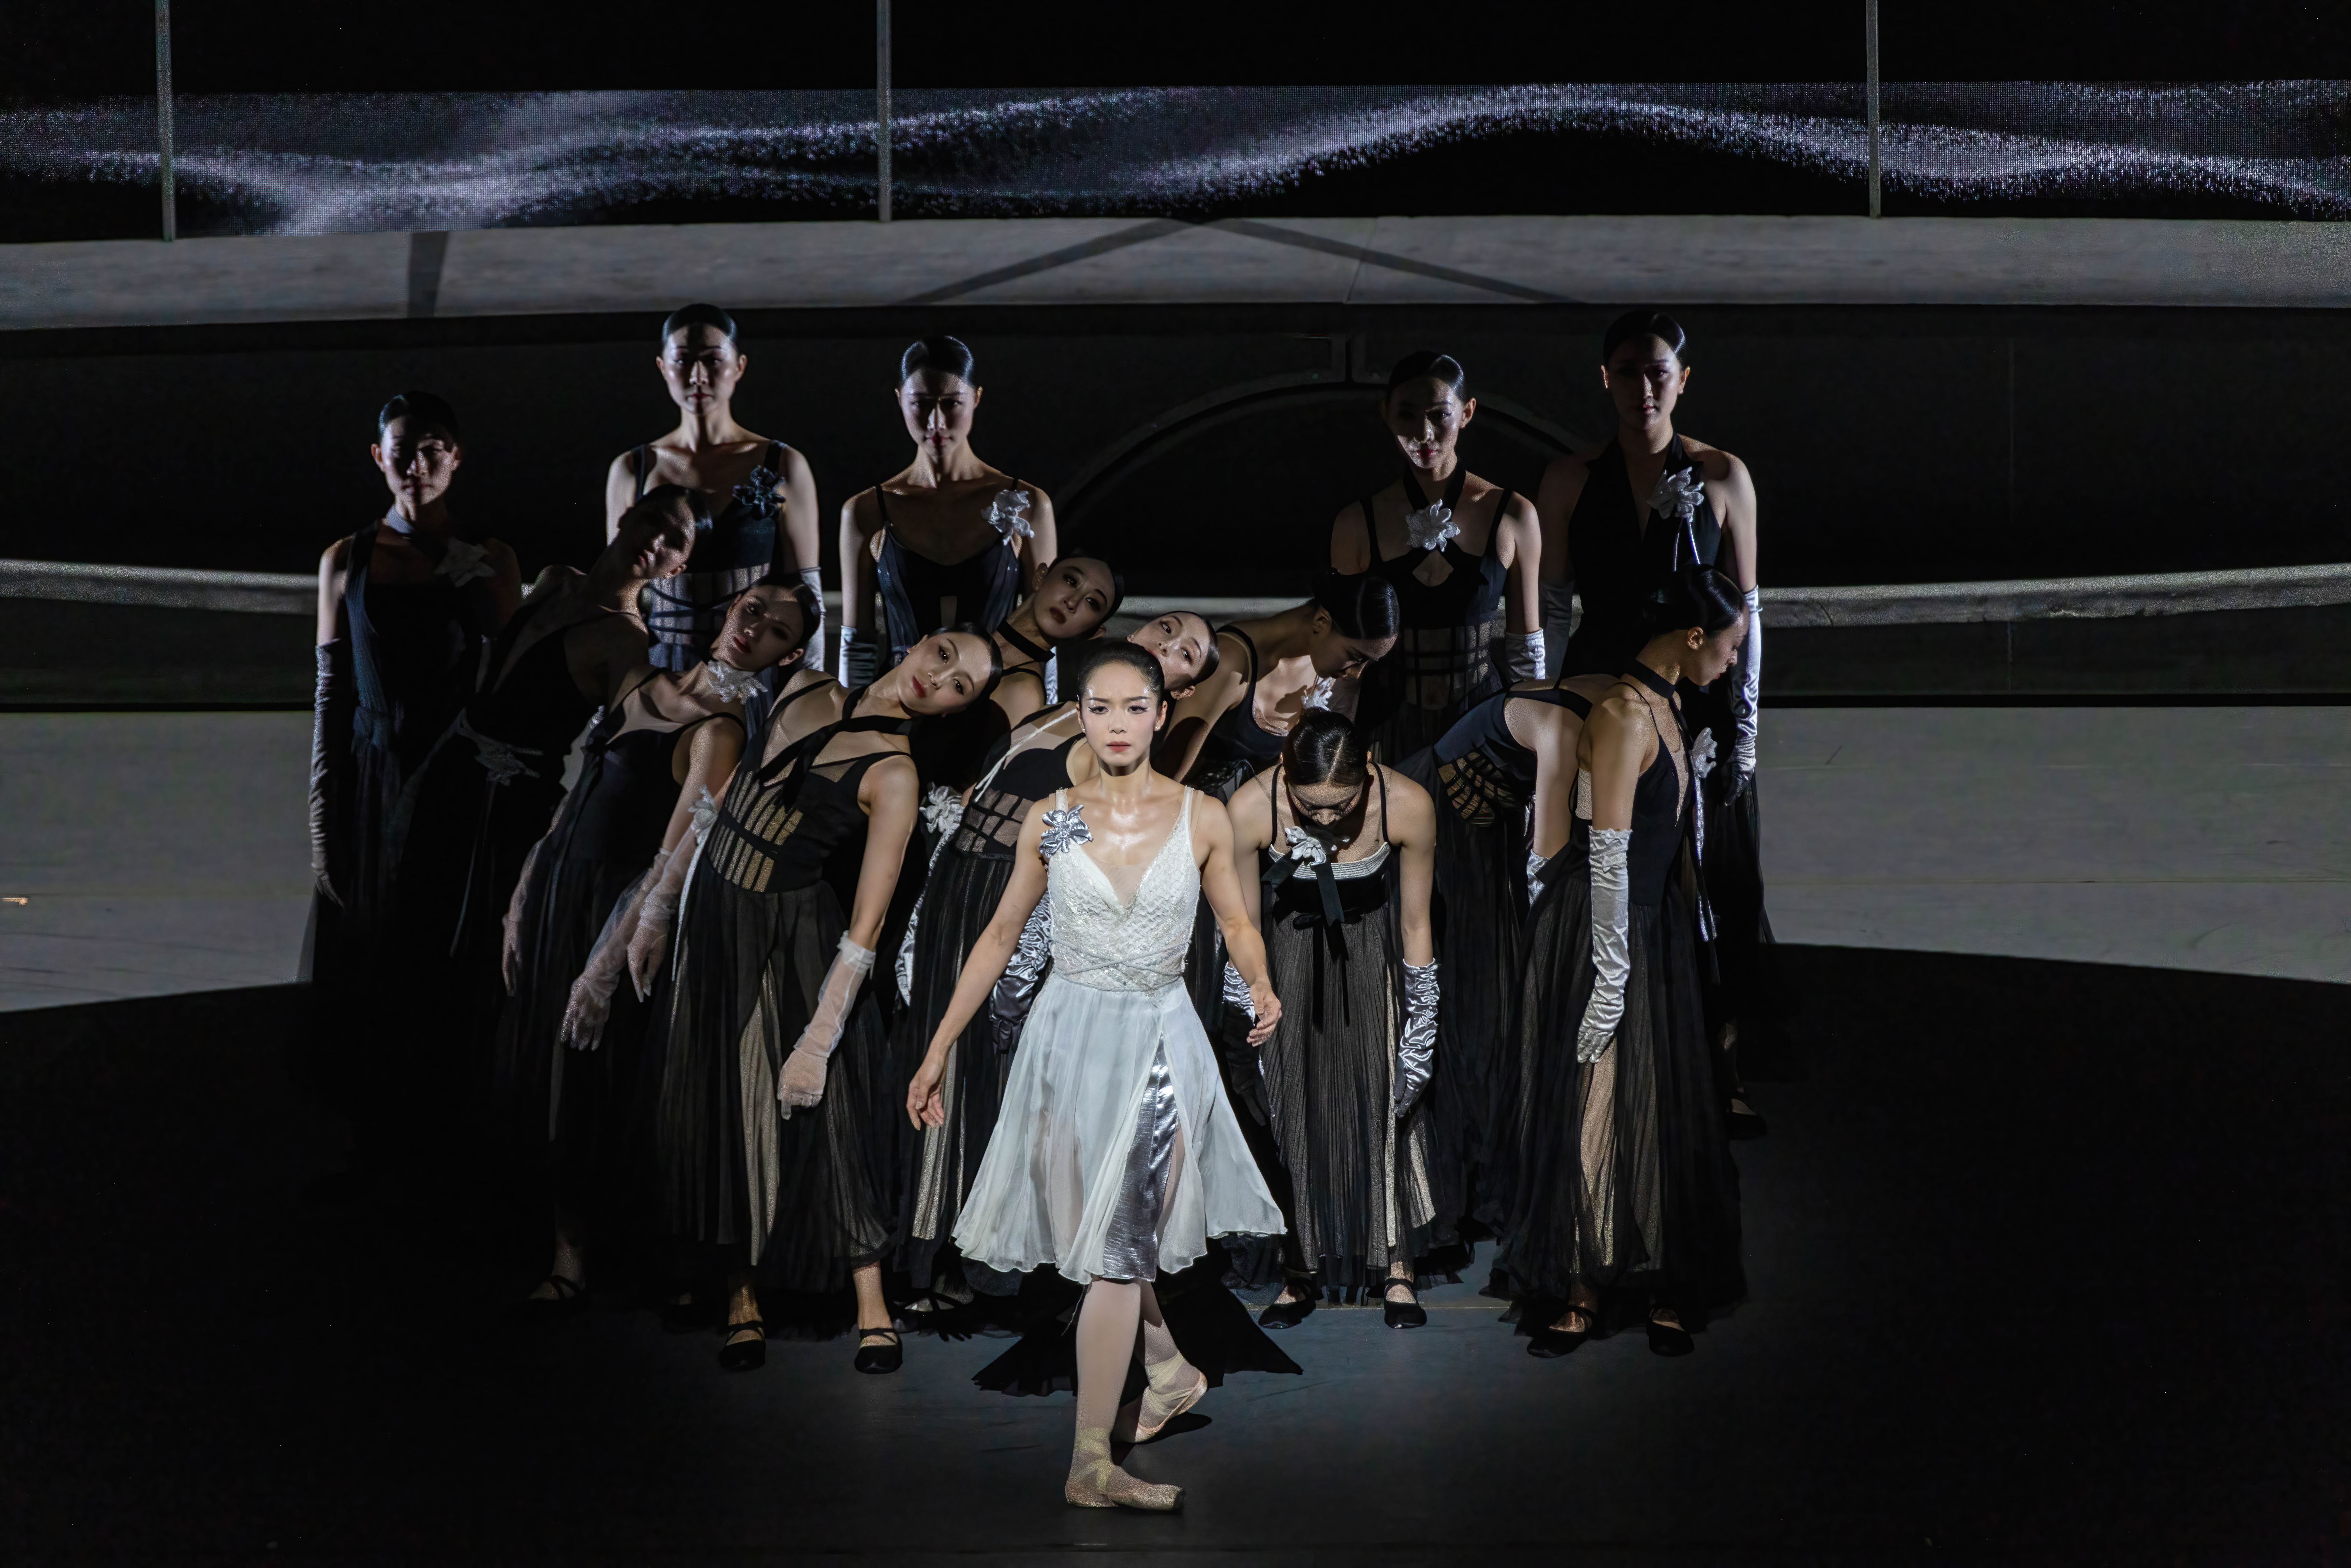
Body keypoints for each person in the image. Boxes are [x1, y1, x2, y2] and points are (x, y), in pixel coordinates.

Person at [909, 641, 1284, 1513]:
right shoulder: (1059, 818)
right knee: (1093, 1242)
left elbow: (1236, 921)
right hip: (1067, 1040)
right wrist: (938, 1049)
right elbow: (1001, 935)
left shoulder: (1199, 816)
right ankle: (1166, 1371)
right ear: (1081, 717)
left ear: (1161, 715)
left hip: (1158, 1043)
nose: (1117, 723)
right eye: (1100, 707)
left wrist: (1259, 983)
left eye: (1133, 707)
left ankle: (1088, 1462)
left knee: (1119, 1255)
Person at [622, 627, 1002, 1374]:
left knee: (825, 1118)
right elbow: (721, 804)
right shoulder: (809, 690)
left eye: (962, 686)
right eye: (947, 655)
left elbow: (869, 926)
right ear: (924, 642)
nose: (942, 677)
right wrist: (655, 912)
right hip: (719, 928)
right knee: (728, 1110)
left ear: (958, 712)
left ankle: (872, 1305)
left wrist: (819, 1034)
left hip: (799, 939)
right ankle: (742, 1301)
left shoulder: (897, 772)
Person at [495, 576, 818, 1318]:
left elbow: (671, 861)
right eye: (754, 607)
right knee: (540, 1062)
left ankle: (576, 1258)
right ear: (730, 609)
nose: (756, 624)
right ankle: (546, 1235)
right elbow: (572, 803)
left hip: (613, 908)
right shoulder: (641, 682)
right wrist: (522, 897)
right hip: (558, 894)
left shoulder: (724, 729)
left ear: (786, 654)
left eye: (776, 628)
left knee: (588, 1076)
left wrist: (604, 968)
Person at [376, 487, 707, 1179]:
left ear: (677, 567)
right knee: (414, 940)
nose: (657, 538)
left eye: (675, 539)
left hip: (507, 810)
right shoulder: (559, 579)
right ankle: (395, 1134)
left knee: (474, 968)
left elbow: (633, 738)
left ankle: (457, 1153)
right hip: (454, 781)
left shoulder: (627, 640)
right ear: (624, 515)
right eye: (653, 519)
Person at [893, 612, 1222, 1303]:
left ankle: (1009, 1276)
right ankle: (936, 1253)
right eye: (1166, 629)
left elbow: (1070, 875)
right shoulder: (1053, 709)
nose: (1165, 645)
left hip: (1004, 905)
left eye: (1183, 652)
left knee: (991, 1077)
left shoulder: (1100, 759)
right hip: (960, 886)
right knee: (946, 1067)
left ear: (1171, 695)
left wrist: (1022, 974)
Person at [1535, 310, 1779, 1123]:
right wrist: (1545, 711)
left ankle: (1720, 1070)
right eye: (1629, 371)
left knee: (1712, 887)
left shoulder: (1723, 475)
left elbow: (1748, 611)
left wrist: (1742, 731)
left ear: (1684, 378)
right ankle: (1597, 1061)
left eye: (1659, 370)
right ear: (1604, 380)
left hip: (1698, 707)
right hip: (1602, 700)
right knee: (1601, 883)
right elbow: (1551, 607)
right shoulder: (1570, 479)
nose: (1645, 386)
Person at [1501, 566, 1748, 1360]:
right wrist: (1610, 979)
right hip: (1606, 926)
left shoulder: (1669, 703)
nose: (1735, 665)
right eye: (1732, 648)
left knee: (1660, 1096)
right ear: (1694, 637)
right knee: (1598, 1097)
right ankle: (1583, 1278)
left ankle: (1657, 1270)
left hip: (1654, 925)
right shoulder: (1621, 714)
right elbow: (1606, 856)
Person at [1222, 711, 1448, 1330]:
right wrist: (1252, 1006)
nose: (1323, 819)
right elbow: (1241, 923)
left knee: (1386, 1104)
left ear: (1369, 766)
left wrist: (1420, 1026)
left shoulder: (1407, 803)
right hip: (1285, 964)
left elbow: (1416, 923)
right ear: (1283, 774)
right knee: (1293, 1106)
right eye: (1308, 805)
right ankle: (1300, 1268)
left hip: (1372, 955)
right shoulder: (1249, 807)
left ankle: (1396, 1265)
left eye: (1339, 805)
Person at [310, 392, 519, 1019]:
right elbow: (331, 685)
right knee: (373, 943)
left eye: (433, 451)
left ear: (455, 459)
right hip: (372, 770)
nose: (417, 465)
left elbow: (509, 682)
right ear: (380, 457)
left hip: (452, 774)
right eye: (404, 452)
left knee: (442, 938)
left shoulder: (493, 557)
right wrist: (322, 808)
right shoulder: (346, 559)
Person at [1403, 666, 1617, 1240]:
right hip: (1443, 820)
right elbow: (1544, 863)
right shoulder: (1569, 728)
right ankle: (1462, 1179)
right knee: (1479, 997)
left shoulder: (1616, 704)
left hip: (1490, 827)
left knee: (1495, 999)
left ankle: (1491, 1169)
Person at [1330, 351, 1542, 763]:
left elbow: (1526, 648)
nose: (1423, 433)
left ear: (1466, 413)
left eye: (1439, 415)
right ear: (1386, 414)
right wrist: (1335, 742)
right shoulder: (1358, 523)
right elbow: (1341, 652)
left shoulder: (1512, 514)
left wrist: (1536, 740)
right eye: (1407, 415)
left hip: (1482, 726)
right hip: (1387, 725)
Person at [604, 304, 822, 675]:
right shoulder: (633, 469)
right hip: (660, 672)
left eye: (713, 360)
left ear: (739, 366)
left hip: (751, 677)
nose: (699, 376)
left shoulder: (782, 464)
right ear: (662, 367)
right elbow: (618, 589)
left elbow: (806, 594)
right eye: (684, 361)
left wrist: (811, 692)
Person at [838, 336, 1056, 685]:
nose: (936, 421)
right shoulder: (867, 511)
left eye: (952, 403)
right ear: (899, 399)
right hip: (899, 711)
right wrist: (851, 724)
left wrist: (1038, 725)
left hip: (996, 708)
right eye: (921, 404)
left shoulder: (1028, 504)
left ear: (977, 398)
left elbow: (1042, 635)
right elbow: (858, 642)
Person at [1157, 571, 1402, 802]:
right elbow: (1166, 779)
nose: (1356, 672)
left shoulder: (1322, 667)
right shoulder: (1231, 662)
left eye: (1369, 663)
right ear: (1321, 622)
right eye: (1355, 656)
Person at [984, 555, 1125, 727]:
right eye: (1071, 581)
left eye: (1092, 602)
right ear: (1041, 576)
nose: (1072, 602)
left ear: (1093, 633)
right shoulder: (968, 635)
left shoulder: (1023, 692)